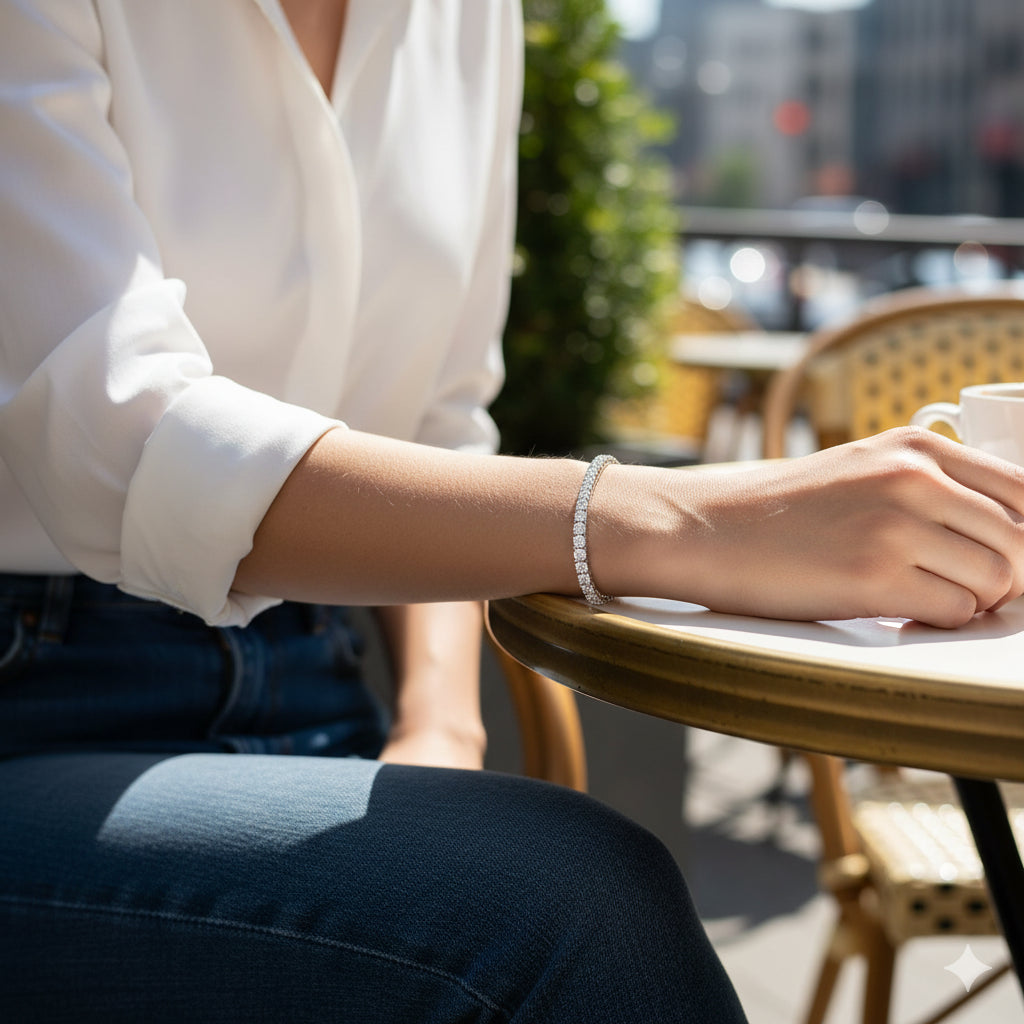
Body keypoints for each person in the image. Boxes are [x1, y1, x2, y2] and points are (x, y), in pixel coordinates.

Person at [1, 0, 1023, 1020]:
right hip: (38, 692)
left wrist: (441, 724)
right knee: (568, 903)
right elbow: (111, 439)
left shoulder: (468, 15)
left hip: (318, 680)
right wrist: (686, 522)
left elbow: (439, 420)